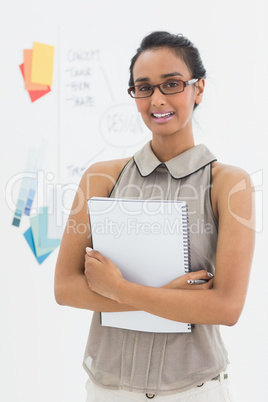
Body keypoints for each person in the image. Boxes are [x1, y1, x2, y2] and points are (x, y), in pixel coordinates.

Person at [54, 31, 255, 401]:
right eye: (143, 87)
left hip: (194, 390)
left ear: (199, 89)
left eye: (172, 84)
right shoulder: (102, 178)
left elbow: (227, 307)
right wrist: (171, 298)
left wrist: (118, 288)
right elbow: (65, 288)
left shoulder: (229, 184)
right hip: (108, 390)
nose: (157, 99)